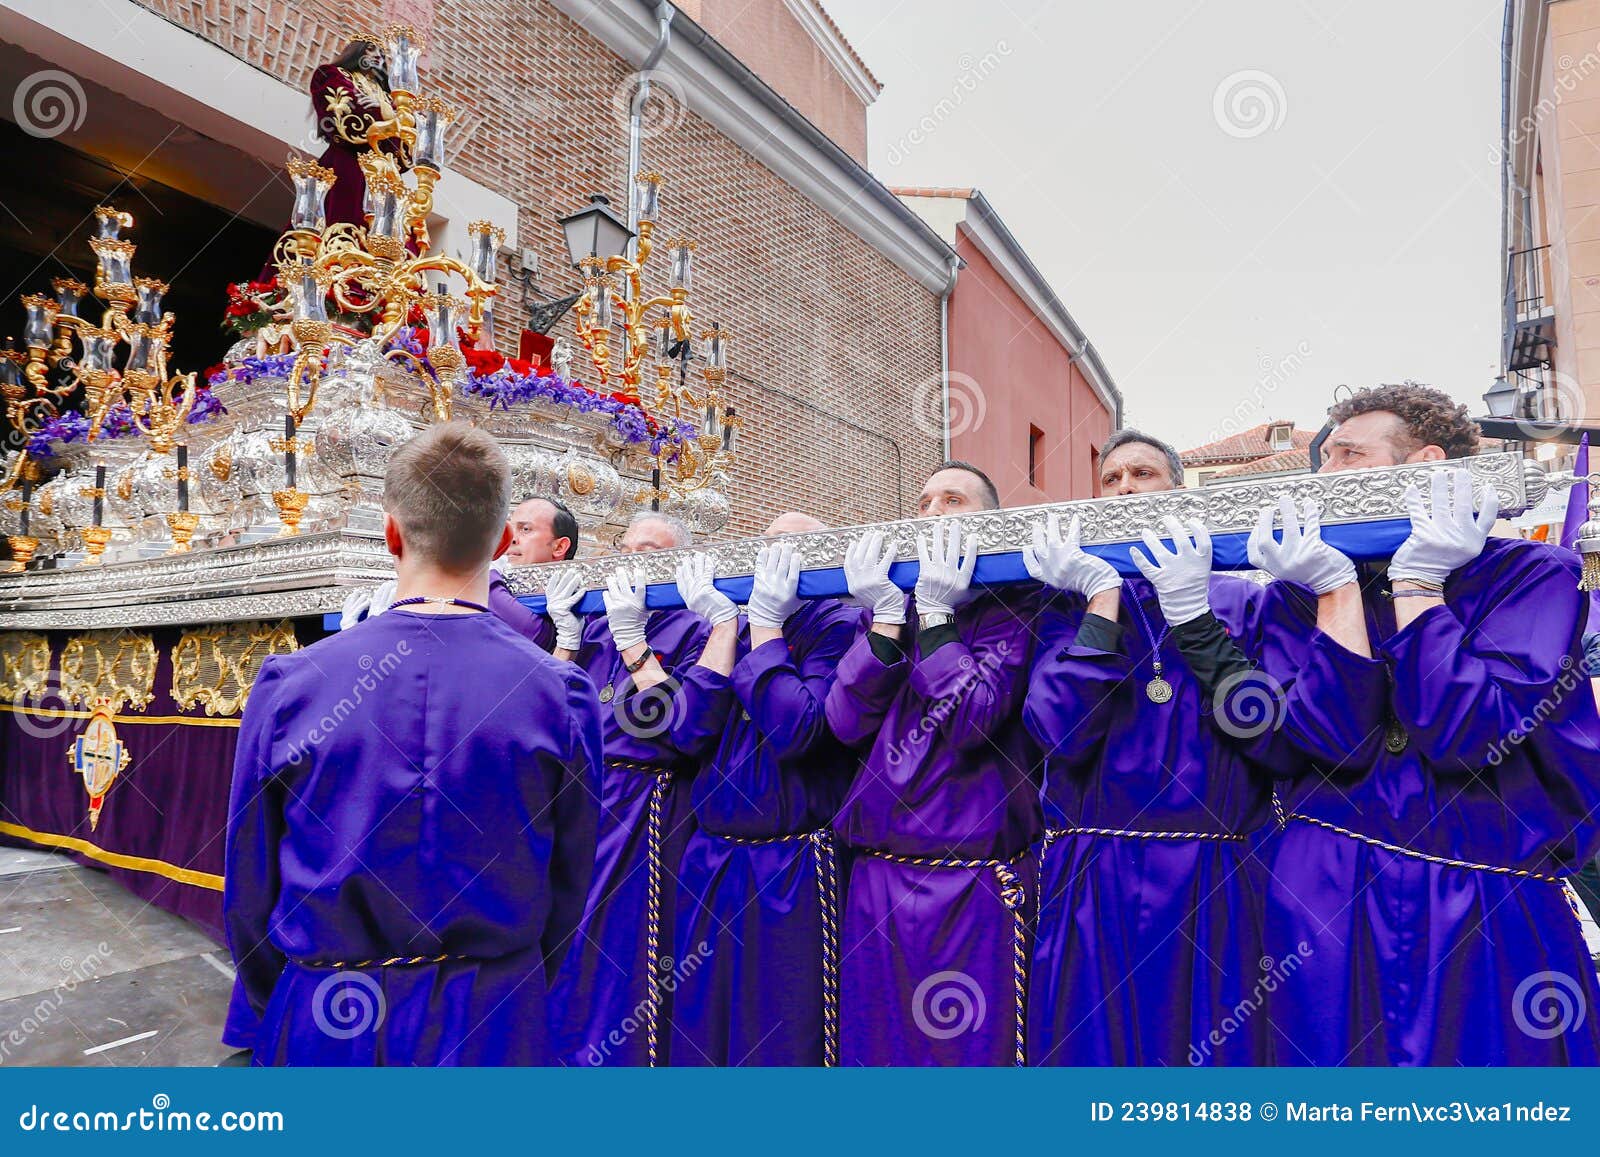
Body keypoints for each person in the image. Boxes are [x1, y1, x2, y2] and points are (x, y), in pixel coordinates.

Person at [221, 423, 603, 1065]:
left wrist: (279, 996)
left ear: (391, 533)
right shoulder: (560, 692)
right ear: (505, 540)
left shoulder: (293, 684)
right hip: (494, 1018)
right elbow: (571, 885)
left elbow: (248, 881)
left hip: (325, 1015)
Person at [1263, 382, 1600, 1064]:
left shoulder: (1535, 574)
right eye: (1323, 458)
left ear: (1426, 463)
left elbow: (1467, 736)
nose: (1324, 475)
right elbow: (1333, 741)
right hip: (1326, 895)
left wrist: (1418, 587)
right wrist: (1334, 595)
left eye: (1348, 455)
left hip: (1475, 898)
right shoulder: (1307, 583)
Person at [1022, 430, 1381, 1065]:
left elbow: (1277, 744)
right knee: (1091, 1054)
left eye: (1144, 474)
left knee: (1210, 1052)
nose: (1127, 488)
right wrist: (1101, 604)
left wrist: (1195, 618)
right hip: (1094, 869)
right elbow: (1060, 735)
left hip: (1213, 869)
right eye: (1112, 479)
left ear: (1179, 490)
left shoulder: (1246, 598)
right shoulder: (1069, 600)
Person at [825, 462, 1044, 1066]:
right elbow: (844, 722)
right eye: (924, 502)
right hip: (878, 878)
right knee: (877, 1051)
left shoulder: (1015, 608)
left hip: (972, 882)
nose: (933, 513)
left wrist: (941, 621)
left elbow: (972, 717)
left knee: (969, 1057)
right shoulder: (887, 610)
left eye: (954, 500)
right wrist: (892, 626)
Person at [668, 513, 864, 1066]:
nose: (774, 559)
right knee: (704, 1019)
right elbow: (687, 732)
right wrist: (728, 632)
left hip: (793, 864)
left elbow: (798, 729)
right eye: (767, 546)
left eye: (792, 548)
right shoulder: (723, 622)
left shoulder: (839, 622)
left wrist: (769, 630)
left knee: (781, 1024)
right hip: (713, 858)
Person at [545, 511, 712, 1067]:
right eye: (627, 548)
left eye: (652, 552)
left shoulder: (693, 626)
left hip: (644, 806)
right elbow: (543, 715)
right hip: (577, 799)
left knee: (618, 948)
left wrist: (636, 648)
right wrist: (566, 642)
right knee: (560, 938)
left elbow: (683, 728)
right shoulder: (592, 620)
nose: (634, 562)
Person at [485, 497, 580, 648]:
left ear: (559, 547)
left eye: (525, 529)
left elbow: (534, 633)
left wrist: (484, 571)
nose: (511, 539)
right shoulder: (494, 577)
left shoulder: (576, 601)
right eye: (508, 529)